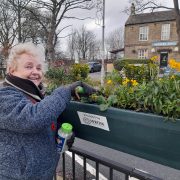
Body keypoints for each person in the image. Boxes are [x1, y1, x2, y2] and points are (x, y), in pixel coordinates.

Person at [0, 42, 97, 180]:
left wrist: (59, 133)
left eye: (39, 68)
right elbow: (32, 119)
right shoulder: (4, 96)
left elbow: (42, 121)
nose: (36, 72)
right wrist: (67, 90)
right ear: (11, 70)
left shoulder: (34, 94)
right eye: (29, 66)